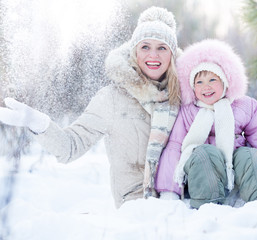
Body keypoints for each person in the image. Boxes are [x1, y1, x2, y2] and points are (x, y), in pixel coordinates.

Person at [0, 7, 181, 208]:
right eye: (145, 46)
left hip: (184, 209)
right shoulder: (112, 98)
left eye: (162, 47)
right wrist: (40, 125)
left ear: (173, 53)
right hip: (135, 213)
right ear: (133, 51)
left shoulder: (188, 94)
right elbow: (70, 147)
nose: (153, 55)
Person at [155, 39, 257, 209]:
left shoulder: (244, 106)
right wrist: (170, 190)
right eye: (199, 82)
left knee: (250, 155)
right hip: (201, 180)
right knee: (205, 153)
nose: (206, 86)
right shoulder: (188, 112)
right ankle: (208, 208)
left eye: (212, 80)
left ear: (225, 81)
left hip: (236, 176)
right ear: (192, 87)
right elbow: (174, 148)